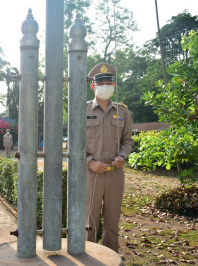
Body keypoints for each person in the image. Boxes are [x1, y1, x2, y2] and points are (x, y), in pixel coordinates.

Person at [85, 63, 133, 253]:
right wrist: (90, 162)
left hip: (115, 174)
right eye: (101, 83)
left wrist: (123, 156)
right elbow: (75, 143)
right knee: (89, 221)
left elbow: (127, 140)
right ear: (93, 86)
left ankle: (111, 257)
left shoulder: (123, 111)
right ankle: (87, 257)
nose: (105, 86)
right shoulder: (83, 110)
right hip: (91, 174)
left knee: (112, 221)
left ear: (114, 86)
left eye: (108, 83)